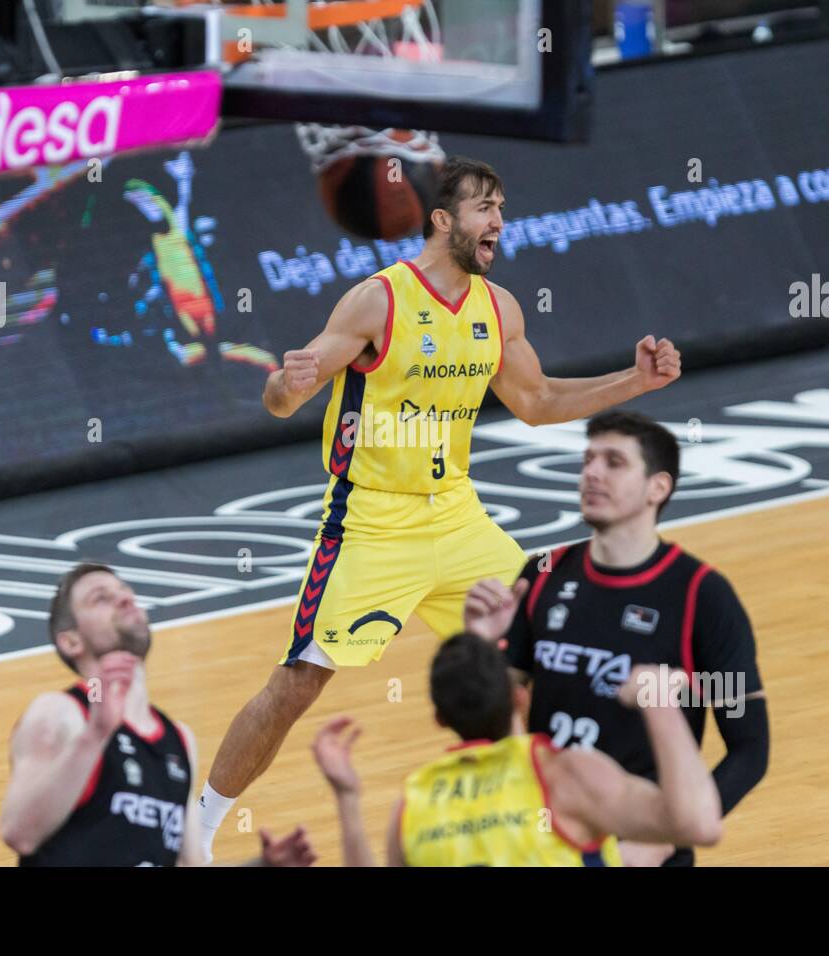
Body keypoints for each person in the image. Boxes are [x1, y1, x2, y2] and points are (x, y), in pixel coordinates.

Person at [197, 156, 682, 859]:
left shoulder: (498, 308)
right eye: (486, 208)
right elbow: (283, 402)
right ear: (442, 219)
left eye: (503, 208)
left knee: (548, 648)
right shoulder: (377, 302)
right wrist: (283, 383)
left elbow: (538, 402)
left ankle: (567, 816)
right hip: (372, 521)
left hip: (455, 515)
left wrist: (633, 381)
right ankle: (199, 832)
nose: (499, 223)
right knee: (297, 683)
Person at [463, 409, 769, 866]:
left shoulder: (702, 596)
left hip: (639, 843)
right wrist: (481, 646)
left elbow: (750, 748)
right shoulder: (544, 575)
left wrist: (663, 838)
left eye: (613, 462)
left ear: (657, 488)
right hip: (541, 840)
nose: (591, 473)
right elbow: (495, 717)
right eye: (587, 460)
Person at [0, 562, 316, 867]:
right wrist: (95, 735)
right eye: (101, 598)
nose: (125, 597)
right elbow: (20, 833)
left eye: (124, 590)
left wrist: (260, 865)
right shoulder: (59, 714)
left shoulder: (178, 740)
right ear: (71, 641)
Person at [311, 634, 722, 866]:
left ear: (439, 717)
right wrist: (660, 704)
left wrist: (348, 798)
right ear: (521, 699)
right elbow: (695, 825)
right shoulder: (564, 776)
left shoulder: (415, 804)